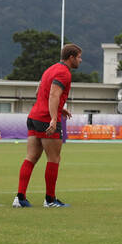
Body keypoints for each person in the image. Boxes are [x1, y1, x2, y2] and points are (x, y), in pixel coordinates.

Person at [15, 44, 82, 208]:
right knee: (54, 158)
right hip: (46, 118)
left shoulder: (50, 69)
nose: (81, 60)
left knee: (31, 157)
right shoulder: (64, 73)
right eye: (79, 57)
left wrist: (60, 108)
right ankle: (50, 200)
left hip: (34, 115)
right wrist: (53, 118)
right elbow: (53, 94)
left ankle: (20, 197)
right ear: (71, 57)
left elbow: (40, 92)